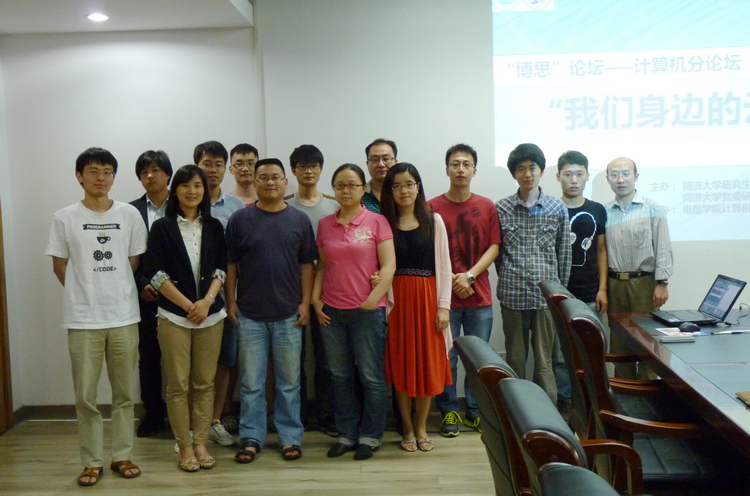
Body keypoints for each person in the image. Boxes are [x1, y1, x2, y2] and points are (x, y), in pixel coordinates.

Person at [46, 147, 146, 486]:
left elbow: (133, 261)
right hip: (82, 319)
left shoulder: (129, 214)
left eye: (107, 172)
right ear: (79, 176)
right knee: (86, 397)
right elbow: (60, 266)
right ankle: (91, 461)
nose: (100, 178)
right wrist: (85, 291)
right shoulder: (64, 217)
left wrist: (110, 287)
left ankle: (122, 455)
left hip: (123, 316)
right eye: (93, 171)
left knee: (124, 395)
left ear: (114, 176)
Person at [226, 158, 317, 463]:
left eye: (275, 177)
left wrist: (305, 303)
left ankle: (290, 437)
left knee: (289, 383)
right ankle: (251, 437)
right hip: (249, 315)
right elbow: (231, 265)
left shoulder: (299, 220)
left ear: (285, 182)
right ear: (255, 182)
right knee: (251, 384)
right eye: (263, 177)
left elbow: (307, 265)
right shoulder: (240, 219)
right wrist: (231, 301)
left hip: (289, 314)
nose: (269, 182)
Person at [143, 165, 227, 472]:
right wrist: (188, 304)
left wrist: (206, 302)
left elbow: (221, 268)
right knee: (178, 384)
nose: (192, 191)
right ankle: (185, 446)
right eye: (186, 185)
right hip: (173, 316)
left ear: (205, 191)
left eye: (198, 186)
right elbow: (155, 273)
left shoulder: (214, 227)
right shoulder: (161, 228)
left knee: (204, 383)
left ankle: (201, 441)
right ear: (175, 189)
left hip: (210, 316)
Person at [312, 164, 396, 461]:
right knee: (340, 377)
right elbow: (323, 266)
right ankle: (346, 434)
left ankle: (370, 436)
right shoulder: (325, 224)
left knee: (371, 377)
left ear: (362, 188)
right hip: (331, 313)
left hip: (367, 312)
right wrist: (315, 300)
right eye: (340, 185)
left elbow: (389, 266)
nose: (345, 190)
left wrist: (373, 300)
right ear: (333, 189)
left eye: (352, 185)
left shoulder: (377, 221)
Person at [429, 144, 501, 437]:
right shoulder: (431, 207)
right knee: (445, 358)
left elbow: (494, 246)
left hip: (478, 296)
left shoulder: (487, 206)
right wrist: (452, 280)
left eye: (466, 164)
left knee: (477, 360)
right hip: (443, 299)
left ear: (474, 170)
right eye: (455, 164)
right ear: (446, 169)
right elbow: (428, 251)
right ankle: (449, 411)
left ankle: (475, 411)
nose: (460, 169)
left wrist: (469, 276)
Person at [381, 162, 452, 453]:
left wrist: (444, 306)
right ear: (390, 191)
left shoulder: (434, 220)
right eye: (397, 186)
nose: (404, 191)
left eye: (409, 184)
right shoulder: (383, 222)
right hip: (397, 303)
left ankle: (422, 426)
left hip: (428, 300)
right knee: (402, 365)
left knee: (427, 365)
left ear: (418, 187)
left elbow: (444, 266)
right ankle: (407, 428)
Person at [495, 143, 571, 404]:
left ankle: (547, 415)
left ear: (542, 170)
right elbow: (498, 254)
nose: (527, 174)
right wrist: (510, 276)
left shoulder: (557, 208)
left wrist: (559, 295)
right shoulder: (501, 208)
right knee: (515, 360)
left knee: (544, 362)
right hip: (512, 295)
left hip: (545, 299)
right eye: (521, 169)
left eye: (533, 168)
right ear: (513, 174)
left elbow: (564, 254)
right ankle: (518, 413)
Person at [285, 144, 339, 436]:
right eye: (303, 166)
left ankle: (327, 414)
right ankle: (298, 415)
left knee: (326, 358)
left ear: (321, 169)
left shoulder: (334, 205)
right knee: (293, 359)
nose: (309, 171)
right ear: (293, 170)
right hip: (290, 290)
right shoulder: (284, 205)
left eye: (314, 166)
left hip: (328, 292)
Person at [194, 140, 245, 445]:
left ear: (225, 169)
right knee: (193, 363)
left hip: (226, 295)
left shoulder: (236, 206)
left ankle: (215, 420)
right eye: (206, 164)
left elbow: (237, 254)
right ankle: (193, 426)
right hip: (189, 296)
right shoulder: (186, 200)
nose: (212, 170)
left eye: (217, 165)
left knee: (225, 359)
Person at [605, 156, 673, 378]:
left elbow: (663, 246)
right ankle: (625, 395)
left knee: (647, 346)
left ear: (636, 177)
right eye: (615, 175)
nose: (620, 179)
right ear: (608, 179)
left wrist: (662, 283)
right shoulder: (604, 212)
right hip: (614, 285)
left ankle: (649, 395)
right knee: (619, 345)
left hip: (644, 284)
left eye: (626, 174)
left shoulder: (653, 208)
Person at [554, 150, 608, 415]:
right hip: (559, 293)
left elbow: (601, 250)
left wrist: (603, 289)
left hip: (589, 292)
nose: (573, 180)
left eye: (579, 174)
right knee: (560, 354)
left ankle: (593, 401)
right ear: (558, 177)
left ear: (587, 176)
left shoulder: (597, 210)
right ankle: (565, 401)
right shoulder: (551, 209)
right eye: (568, 174)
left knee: (591, 351)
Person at [130, 150, 172, 438]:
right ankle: (153, 413)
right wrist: (141, 284)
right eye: (144, 171)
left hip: (181, 294)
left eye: (156, 170)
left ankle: (186, 415)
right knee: (148, 357)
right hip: (145, 295)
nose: (150, 175)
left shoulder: (183, 205)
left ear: (168, 174)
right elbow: (128, 257)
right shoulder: (129, 211)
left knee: (182, 359)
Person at [362, 138, 398, 213]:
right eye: (375, 160)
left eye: (386, 159)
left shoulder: (405, 193)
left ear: (395, 162)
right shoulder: (359, 194)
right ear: (367, 164)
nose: (381, 164)